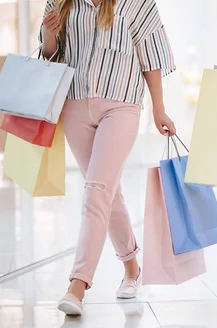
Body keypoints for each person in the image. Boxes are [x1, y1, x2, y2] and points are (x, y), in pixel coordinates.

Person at [40, 0, 176, 316]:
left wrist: (158, 108)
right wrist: (49, 34)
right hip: (73, 105)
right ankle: (131, 267)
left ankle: (78, 284)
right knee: (107, 193)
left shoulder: (138, 3)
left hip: (122, 106)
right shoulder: (60, 2)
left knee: (96, 191)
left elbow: (150, 55)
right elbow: (49, 54)